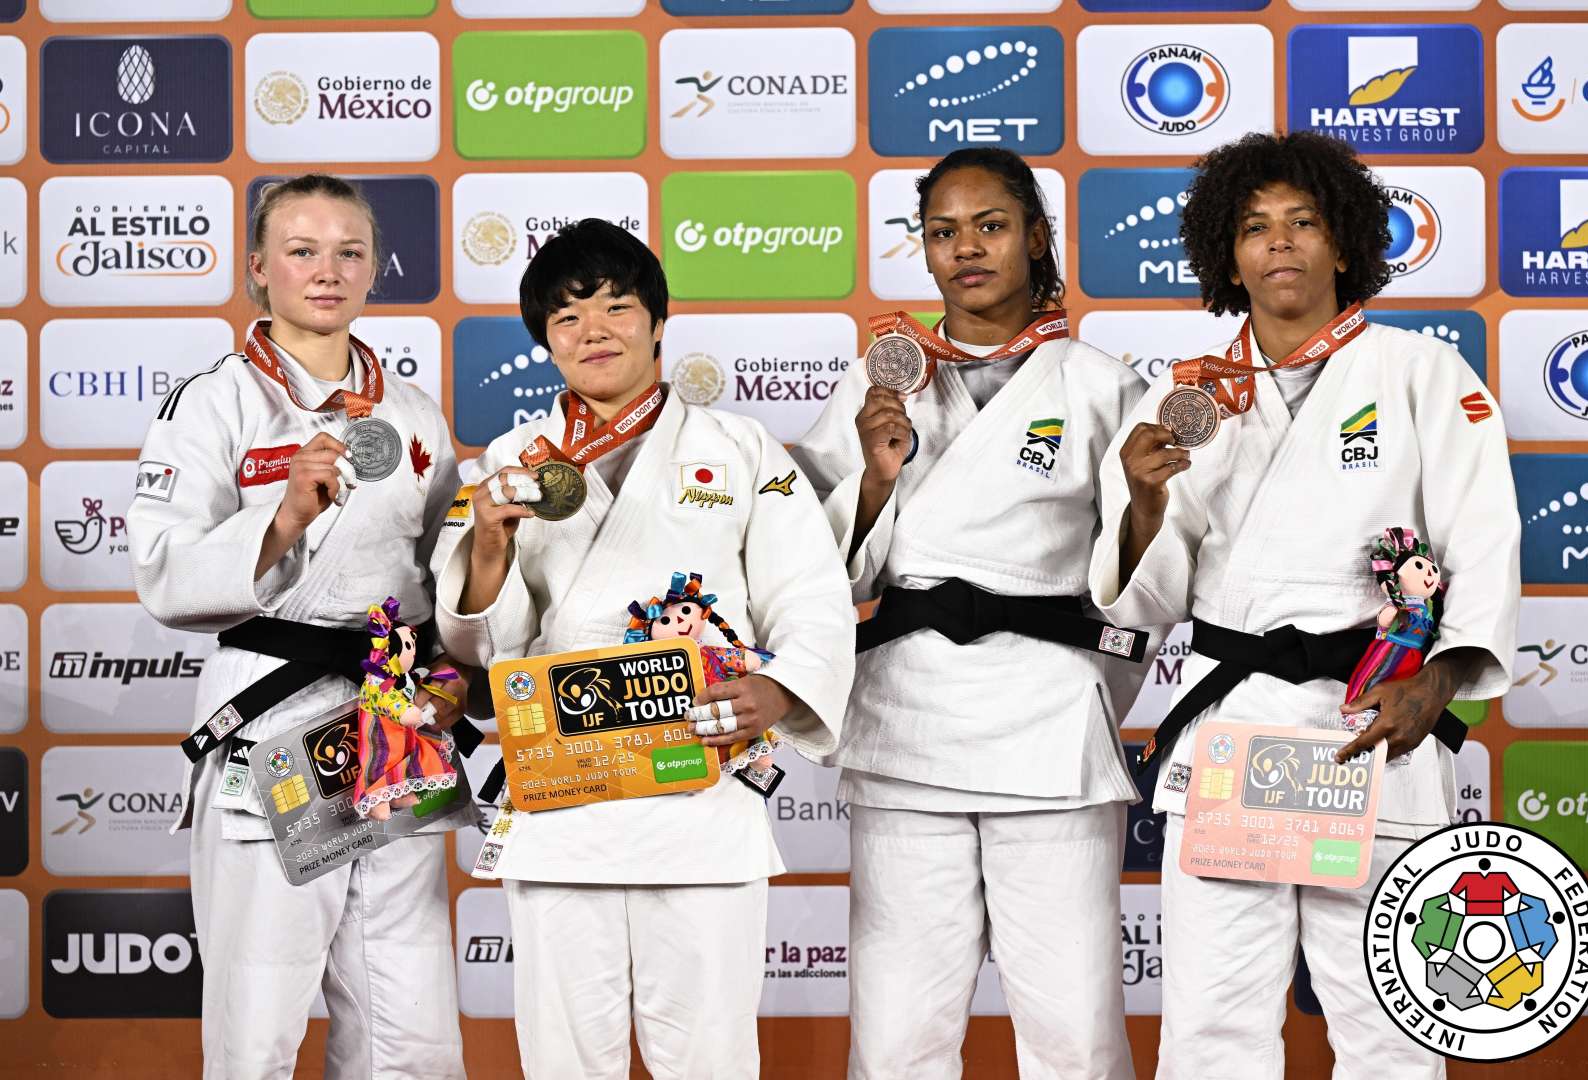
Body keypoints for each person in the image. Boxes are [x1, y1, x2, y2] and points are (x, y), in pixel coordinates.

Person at [1088, 131, 1519, 1079]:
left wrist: (1437, 683)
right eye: (1254, 227)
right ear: (1226, 255)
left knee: (1391, 1026)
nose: (1279, 243)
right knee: (1211, 1026)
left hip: (1375, 718)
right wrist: (1146, 502)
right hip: (1237, 724)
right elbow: (1145, 595)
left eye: (1303, 222)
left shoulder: (1423, 373)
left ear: (1343, 243)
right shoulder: (1186, 394)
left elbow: (1482, 543)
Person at [431, 218, 854, 1079]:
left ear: (659, 323)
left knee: (711, 1056)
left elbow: (810, 593)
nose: (595, 332)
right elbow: (472, 643)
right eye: (567, 318)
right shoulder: (508, 464)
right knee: (562, 1059)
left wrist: (779, 691)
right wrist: (485, 549)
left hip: (695, 784)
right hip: (561, 795)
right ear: (544, 342)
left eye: (617, 307)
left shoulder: (741, 450)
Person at [792, 147, 1150, 1080]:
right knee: (899, 1028)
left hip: (1048, 724)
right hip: (906, 720)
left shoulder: (1098, 383)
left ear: (1035, 235)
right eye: (943, 232)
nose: (967, 250)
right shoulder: (877, 384)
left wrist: (1099, 688)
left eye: (989, 226)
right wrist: (874, 476)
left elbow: (1144, 575)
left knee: (1072, 1027)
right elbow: (804, 570)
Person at [129, 174, 471, 1080]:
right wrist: (281, 520)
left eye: (349, 252)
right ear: (258, 270)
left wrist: (452, 667)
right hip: (273, 720)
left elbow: (439, 572)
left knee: (409, 1007)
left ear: (374, 271)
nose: (329, 271)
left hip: (391, 720)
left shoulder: (412, 414)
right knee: (261, 1007)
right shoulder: (213, 403)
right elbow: (162, 572)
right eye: (302, 250)